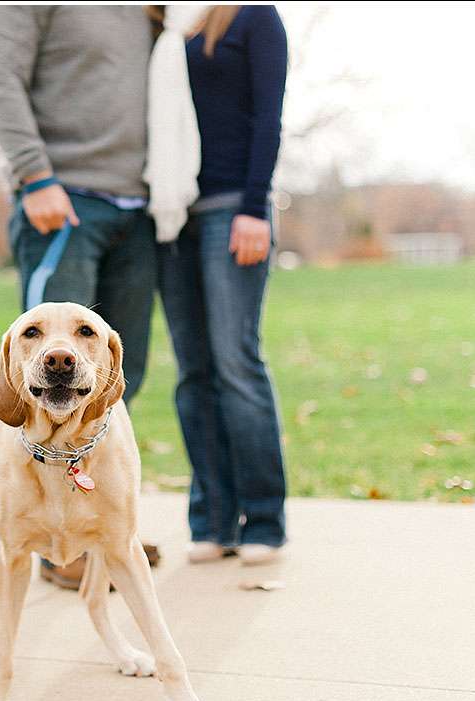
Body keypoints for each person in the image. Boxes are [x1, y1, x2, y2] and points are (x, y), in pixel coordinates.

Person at [0, 5, 160, 588]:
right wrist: (34, 175)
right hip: (60, 200)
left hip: (138, 208)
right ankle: (54, 544)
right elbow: (0, 78)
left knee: (112, 379)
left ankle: (101, 523)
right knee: (46, 371)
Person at [149, 5, 289, 566]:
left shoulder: (254, 15)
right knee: (194, 373)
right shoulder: (162, 24)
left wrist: (255, 207)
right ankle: (212, 518)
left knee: (235, 362)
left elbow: (267, 116)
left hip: (234, 208)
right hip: (170, 213)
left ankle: (264, 519)